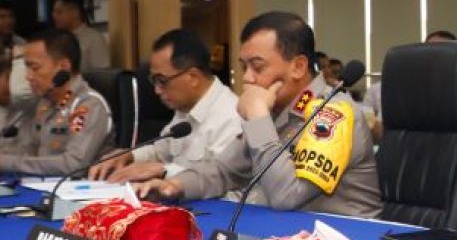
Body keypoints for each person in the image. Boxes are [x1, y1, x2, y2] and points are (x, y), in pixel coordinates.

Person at [135, 11, 381, 217]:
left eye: (257, 66)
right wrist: (173, 186)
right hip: (296, 237)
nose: (248, 78)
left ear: (298, 67)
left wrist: (258, 121)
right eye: (244, 67)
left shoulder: (332, 112)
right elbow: (224, 171)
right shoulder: (275, 109)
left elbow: (288, 196)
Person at [89, 29, 240, 183]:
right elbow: (160, 152)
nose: (157, 90)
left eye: (162, 81)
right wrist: (129, 156)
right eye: (154, 81)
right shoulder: (185, 109)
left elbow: (220, 180)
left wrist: (161, 171)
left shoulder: (232, 117)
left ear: (193, 77)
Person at [0, 29, 112, 175]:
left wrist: (6, 162)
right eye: (27, 68)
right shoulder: (43, 103)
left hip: (80, 186)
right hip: (40, 184)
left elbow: (74, 165)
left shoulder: (88, 104)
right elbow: (28, 150)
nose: (28, 76)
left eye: (35, 68)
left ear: (63, 67)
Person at [51, 0, 111, 71]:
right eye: (54, 12)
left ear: (75, 12)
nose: (54, 16)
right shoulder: (56, 39)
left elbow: (102, 73)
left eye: (59, 12)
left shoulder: (94, 39)